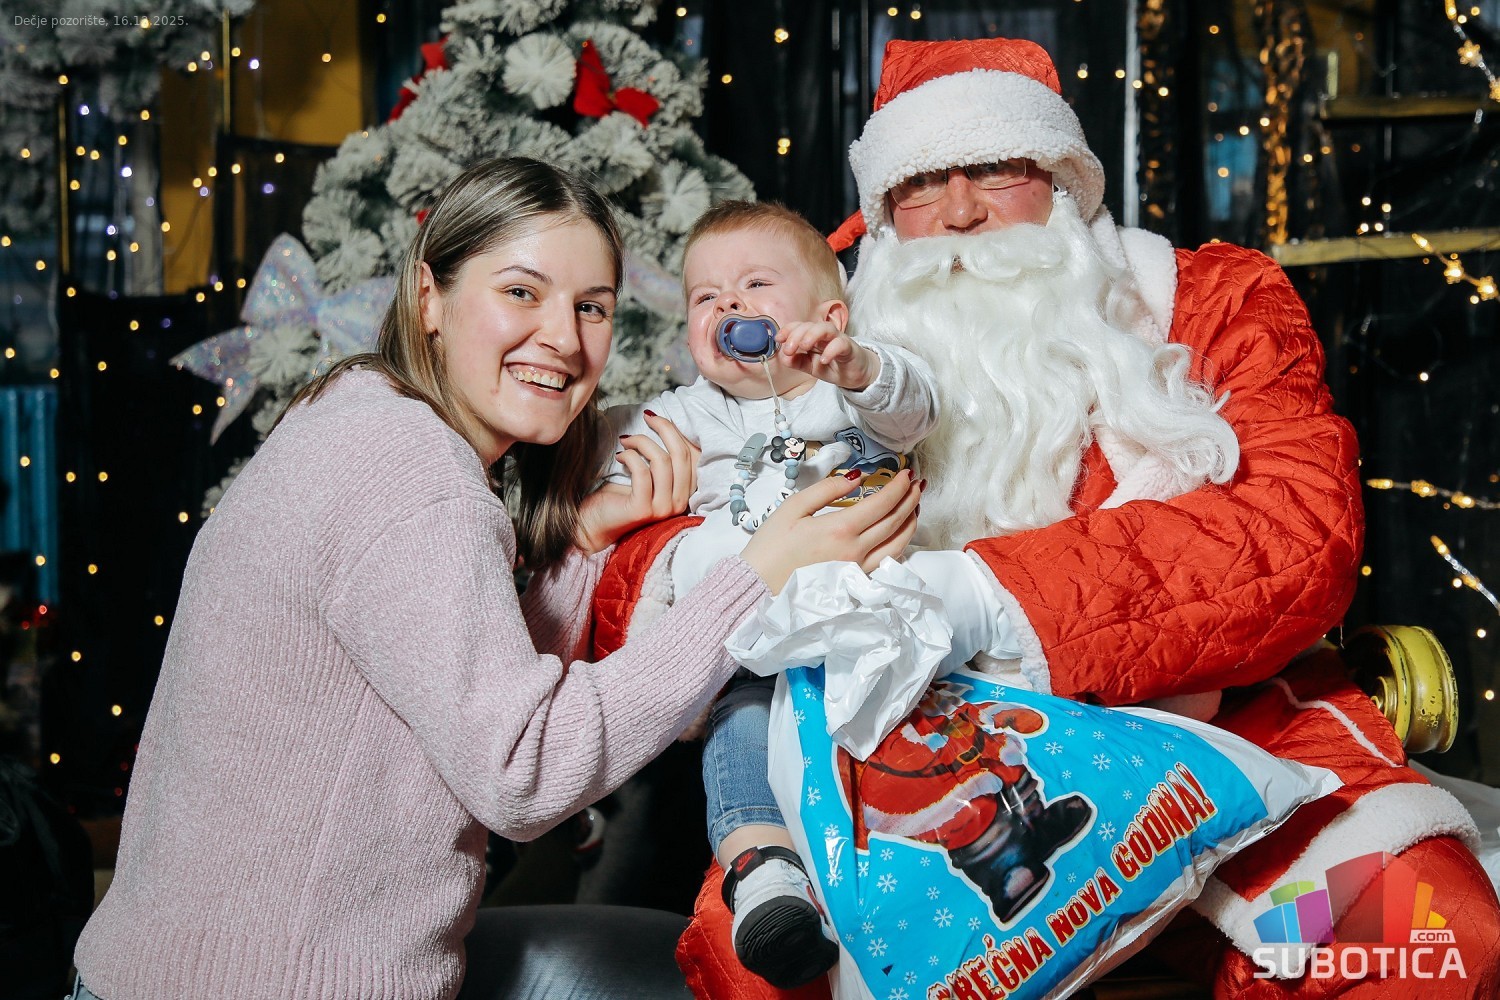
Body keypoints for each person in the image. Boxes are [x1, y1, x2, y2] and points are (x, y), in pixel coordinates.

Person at [605, 38, 1500, 999]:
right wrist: (709, 556)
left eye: (995, 170)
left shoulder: (1210, 298)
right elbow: (638, 566)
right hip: (922, 769)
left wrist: (972, 596)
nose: (959, 214)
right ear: (885, 214)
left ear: (1064, 180)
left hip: (1242, 744)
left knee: (1423, 942)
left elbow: (1294, 535)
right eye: (921, 185)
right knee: (773, 970)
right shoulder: (814, 339)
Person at [67, 157, 919, 1000]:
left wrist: (583, 540)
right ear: (429, 297)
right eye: (521, 291)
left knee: (654, 960)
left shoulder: (361, 414)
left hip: (235, 967)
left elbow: (465, 694)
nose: (564, 338)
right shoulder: (412, 472)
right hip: (272, 985)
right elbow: (523, 773)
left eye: (591, 306)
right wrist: (757, 575)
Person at [588, 199, 960, 990]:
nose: (729, 304)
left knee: (919, 733)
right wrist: (613, 496)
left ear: (828, 318)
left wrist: (858, 367)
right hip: (762, 638)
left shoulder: (849, 390)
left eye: (755, 284)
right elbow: (616, 468)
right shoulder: (689, 412)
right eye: (705, 296)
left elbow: (917, 407)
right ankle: (762, 875)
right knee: (739, 725)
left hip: (879, 628)